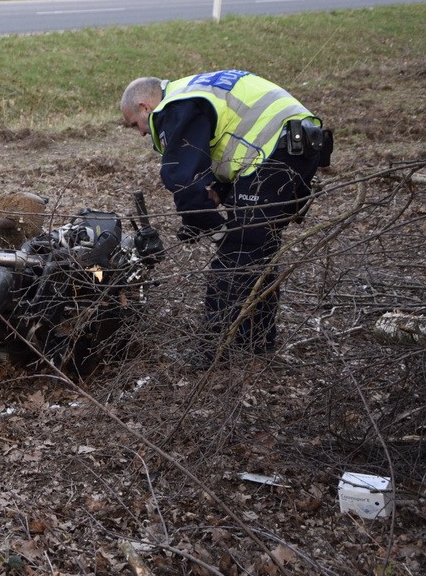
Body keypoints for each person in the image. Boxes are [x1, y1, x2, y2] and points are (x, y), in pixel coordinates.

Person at [120, 70, 333, 368]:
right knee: (259, 251)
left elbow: (182, 177)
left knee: (236, 254)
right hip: (296, 146)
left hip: (278, 151)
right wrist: (219, 193)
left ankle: (214, 349)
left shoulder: (177, 104)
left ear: (145, 106)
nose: (142, 132)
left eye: (135, 124)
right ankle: (256, 344)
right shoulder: (196, 91)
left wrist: (202, 221)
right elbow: (230, 144)